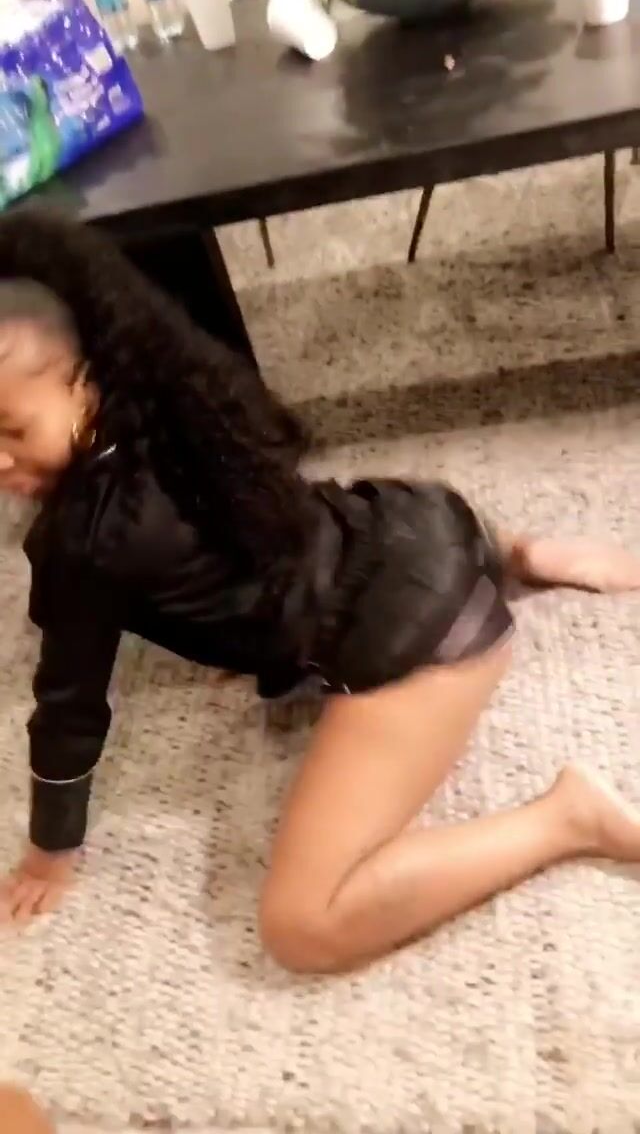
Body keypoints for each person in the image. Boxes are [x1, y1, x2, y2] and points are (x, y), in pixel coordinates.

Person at [0, 210, 639, 974]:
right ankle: (521, 555)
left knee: (305, 926)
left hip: (417, 635)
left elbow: (70, 706)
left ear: (85, 381)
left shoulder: (83, 544)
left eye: (11, 429)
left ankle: (568, 820)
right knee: (338, 536)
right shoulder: (170, 394)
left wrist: (49, 853)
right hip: (424, 519)